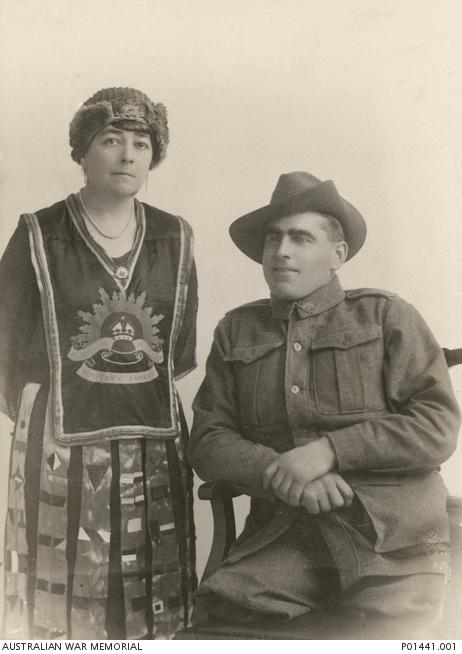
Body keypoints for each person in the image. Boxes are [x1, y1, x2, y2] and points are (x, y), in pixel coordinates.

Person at [189, 171, 460, 624]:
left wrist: (329, 452)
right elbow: (208, 438)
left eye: (301, 238)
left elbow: (436, 426)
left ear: (338, 254)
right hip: (284, 541)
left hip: (395, 546)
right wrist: (282, 473)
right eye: (273, 239)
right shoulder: (237, 330)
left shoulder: (385, 316)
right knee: (218, 622)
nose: (282, 251)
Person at [0, 87, 198, 639]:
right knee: (62, 597)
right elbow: (5, 339)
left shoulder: (175, 236)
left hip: (153, 433)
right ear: (82, 152)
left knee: (149, 585)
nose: (128, 155)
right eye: (111, 140)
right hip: (56, 440)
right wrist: (43, 408)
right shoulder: (38, 233)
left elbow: (177, 348)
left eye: (140, 143)